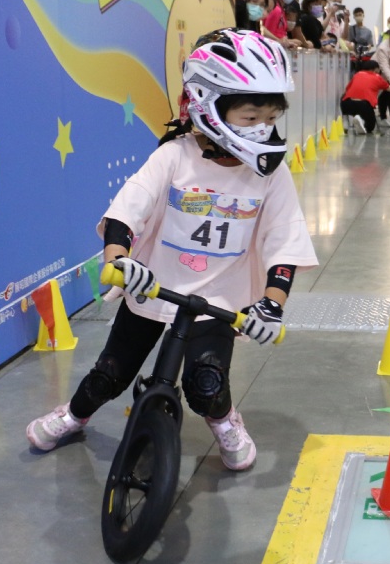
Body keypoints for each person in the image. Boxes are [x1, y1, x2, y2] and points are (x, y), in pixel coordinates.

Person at [26, 29, 318, 469]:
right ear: (209, 105)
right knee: (110, 374)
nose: (263, 127)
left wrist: (271, 305)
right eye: (251, 116)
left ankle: (225, 420)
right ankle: (74, 414)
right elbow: (129, 208)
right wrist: (119, 261)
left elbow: (284, 240)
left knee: (207, 384)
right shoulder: (175, 156)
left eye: (271, 117)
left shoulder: (271, 174)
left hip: (218, 301)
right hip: (154, 287)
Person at [340, 60, 390, 134]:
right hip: (363, 105)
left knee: (351, 105)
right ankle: (362, 122)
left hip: (346, 103)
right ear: (375, 69)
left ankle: (345, 119)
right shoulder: (377, 77)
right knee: (370, 126)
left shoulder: (357, 74)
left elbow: (345, 91)